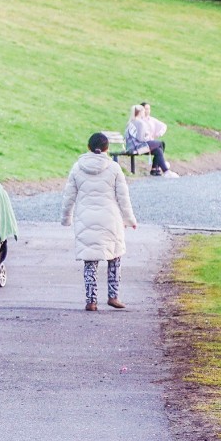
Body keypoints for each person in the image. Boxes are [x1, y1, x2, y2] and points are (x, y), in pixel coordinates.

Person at [62, 131, 138, 310]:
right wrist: (129, 219)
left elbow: (68, 197)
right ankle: (113, 296)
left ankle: (91, 300)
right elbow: (123, 198)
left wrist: (66, 219)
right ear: (107, 149)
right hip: (110, 219)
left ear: (88, 147)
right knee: (115, 256)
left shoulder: (77, 167)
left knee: (90, 261)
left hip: (85, 219)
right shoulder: (114, 168)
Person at [126, 101, 173, 176]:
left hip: (132, 145)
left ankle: (155, 169)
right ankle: (164, 170)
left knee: (158, 150)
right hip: (137, 147)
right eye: (145, 110)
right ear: (141, 112)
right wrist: (148, 138)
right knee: (160, 144)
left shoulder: (132, 121)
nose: (146, 111)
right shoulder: (140, 122)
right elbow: (141, 139)